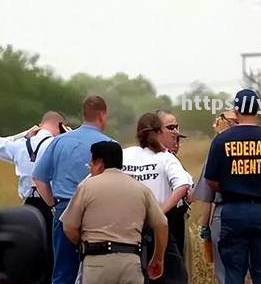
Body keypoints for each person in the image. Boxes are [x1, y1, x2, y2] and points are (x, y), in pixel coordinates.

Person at [204, 89, 261, 284]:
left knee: (233, 273)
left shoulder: (220, 140)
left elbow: (210, 179)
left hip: (232, 211)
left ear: (236, 111)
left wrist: (230, 185)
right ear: (258, 110)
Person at [60, 141, 168, 284]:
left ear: (99, 163)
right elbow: (162, 224)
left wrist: (85, 244)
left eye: (91, 164)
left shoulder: (87, 186)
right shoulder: (141, 189)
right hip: (131, 261)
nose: (90, 169)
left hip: (96, 262)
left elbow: (69, 227)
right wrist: (158, 258)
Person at [33, 96, 113, 284]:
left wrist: (53, 204)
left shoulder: (59, 142)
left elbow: (39, 178)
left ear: (83, 114)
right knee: (97, 271)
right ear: (102, 115)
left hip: (64, 210)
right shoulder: (110, 145)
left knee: (63, 271)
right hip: (97, 213)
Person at [122, 112, 193, 284]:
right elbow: (183, 186)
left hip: (126, 229)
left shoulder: (124, 154)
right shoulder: (165, 157)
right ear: (159, 133)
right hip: (158, 230)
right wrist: (160, 211)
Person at [0, 111, 67, 284]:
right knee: (52, 253)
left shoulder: (20, 144)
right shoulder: (58, 143)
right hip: (50, 202)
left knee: (30, 250)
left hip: (28, 206)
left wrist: (22, 135)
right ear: (60, 126)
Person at [191, 110, 238, 283]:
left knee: (226, 273)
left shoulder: (217, 147)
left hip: (225, 213)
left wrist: (205, 227)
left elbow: (207, 195)